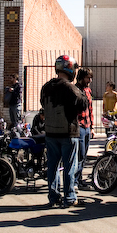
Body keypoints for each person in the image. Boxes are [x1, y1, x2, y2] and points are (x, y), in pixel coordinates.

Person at [40, 55, 88, 208]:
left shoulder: (46, 87)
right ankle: (70, 197)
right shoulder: (70, 88)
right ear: (71, 69)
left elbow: (43, 104)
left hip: (50, 132)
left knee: (52, 166)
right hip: (68, 132)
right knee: (69, 167)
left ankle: (53, 197)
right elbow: (83, 105)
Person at [75, 67, 94, 188]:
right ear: (81, 78)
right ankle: (75, 181)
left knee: (84, 155)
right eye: (88, 78)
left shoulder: (88, 91)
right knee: (79, 155)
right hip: (79, 127)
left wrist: (92, 127)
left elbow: (90, 109)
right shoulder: (75, 90)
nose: (90, 80)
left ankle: (79, 179)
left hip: (87, 126)